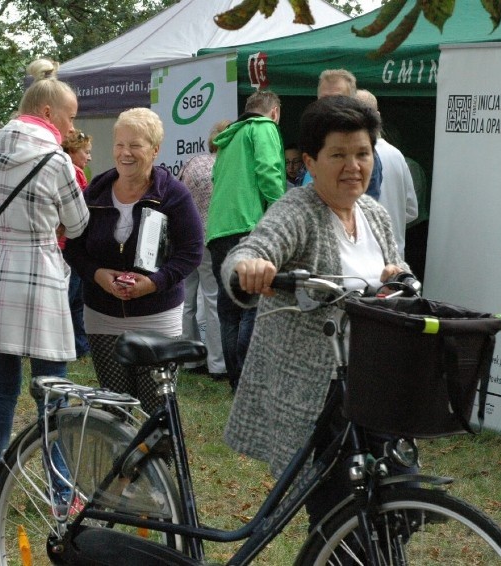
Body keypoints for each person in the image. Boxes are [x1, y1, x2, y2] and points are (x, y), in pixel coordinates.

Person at [220, 95, 413, 530]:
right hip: (316, 392)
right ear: (311, 160)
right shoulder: (297, 211)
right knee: (339, 511)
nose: (353, 166)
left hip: (369, 382)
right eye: (338, 155)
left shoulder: (374, 214)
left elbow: (398, 276)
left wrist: (396, 276)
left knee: (398, 502)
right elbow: (247, 252)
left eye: (362, 153)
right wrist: (250, 268)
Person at [0, 66, 89, 507]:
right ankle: (60, 491)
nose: (73, 128)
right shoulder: (56, 159)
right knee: (52, 389)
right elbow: (77, 224)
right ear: (47, 111)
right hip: (37, 272)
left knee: (2, 387)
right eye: (70, 117)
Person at [63, 107, 203, 413]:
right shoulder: (96, 192)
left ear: (154, 150)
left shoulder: (173, 195)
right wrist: (98, 274)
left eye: (135, 145)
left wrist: (153, 283)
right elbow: (73, 247)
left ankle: (156, 463)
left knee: (157, 411)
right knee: (114, 411)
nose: (126, 153)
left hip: (157, 317)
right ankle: (120, 463)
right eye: (119, 144)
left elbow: (192, 251)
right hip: (103, 316)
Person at [205, 90, 286, 392]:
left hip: (218, 232)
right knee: (253, 304)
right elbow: (269, 172)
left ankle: (237, 383)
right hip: (248, 227)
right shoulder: (264, 128)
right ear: (274, 112)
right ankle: (251, 382)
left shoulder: (227, 141)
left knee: (229, 310)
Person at [179, 120, 231, 381]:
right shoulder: (228, 169)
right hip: (212, 240)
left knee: (186, 300)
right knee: (212, 301)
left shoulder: (192, 164)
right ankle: (217, 363)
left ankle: (189, 359)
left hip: (187, 240)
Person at [355, 89, 419, 258]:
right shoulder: (397, 155)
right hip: (395, 258)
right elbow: (412, 211)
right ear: (377, 115)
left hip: (364, 259)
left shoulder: (351, 157)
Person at [301, 69, 383, 200]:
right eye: (324, 100)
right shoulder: (313, 139)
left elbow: (362, 207)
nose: (328, 107)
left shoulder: (365, 154)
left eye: (337, 100)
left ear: (352, 102)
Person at [61, 130, 94, 357]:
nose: (89, 157)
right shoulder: (74, 173)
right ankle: (70, 345)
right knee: (71, 297)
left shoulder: (74, 171)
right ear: (72, 151)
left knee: (76, 299)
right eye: (86, 152)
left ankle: (80, 346)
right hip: (70, 244)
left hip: (69, 243)